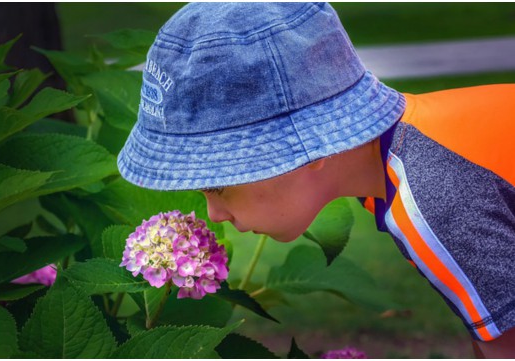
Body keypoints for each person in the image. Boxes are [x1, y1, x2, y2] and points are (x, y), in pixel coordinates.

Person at [117, 3, 515, 357]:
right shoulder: (409, 157)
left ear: (311, 148)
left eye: (220, 185)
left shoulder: (432, 200)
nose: (214, 214)